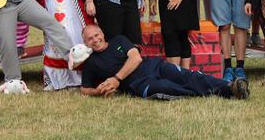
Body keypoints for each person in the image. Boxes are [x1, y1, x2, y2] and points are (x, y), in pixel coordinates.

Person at [80, 25, 249, 100]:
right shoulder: (91, 63)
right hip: (139, 84)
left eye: (96, 35)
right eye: (90, 39)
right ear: (86, 43)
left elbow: (136, 58)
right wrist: (98, 91)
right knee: (167, 88)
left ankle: (230, 87)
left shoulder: (119, 40)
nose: (95, 40)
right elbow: (84, 89)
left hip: (153, 66)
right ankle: (214, 93)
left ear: (102, 33)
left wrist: (116, 79)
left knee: (187, 76)